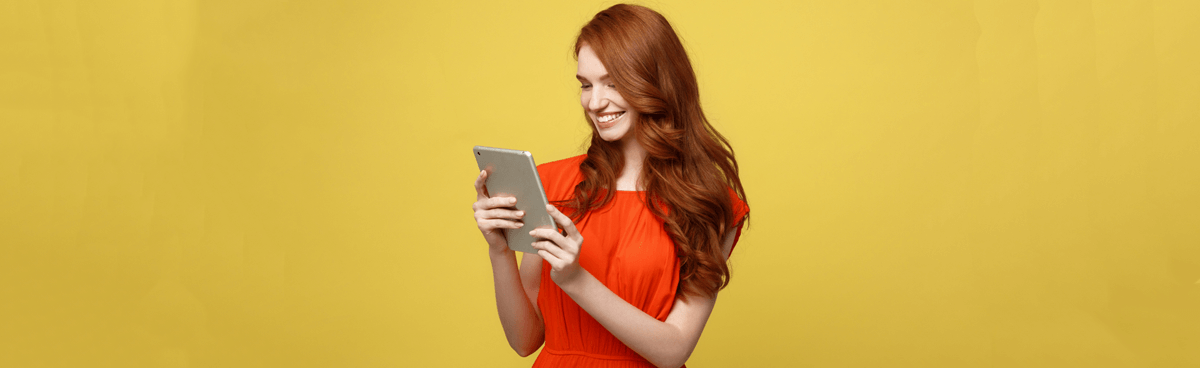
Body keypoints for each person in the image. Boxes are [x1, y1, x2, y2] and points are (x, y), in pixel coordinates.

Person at [471, 4, 749, 368]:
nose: (595, 102)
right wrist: (499, 251)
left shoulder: (708, 202)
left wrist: (574, 280)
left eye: (613, 82)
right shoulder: (552, 183)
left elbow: (673, 350)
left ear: (656, 81)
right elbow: (525, 340)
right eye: (586, 85)